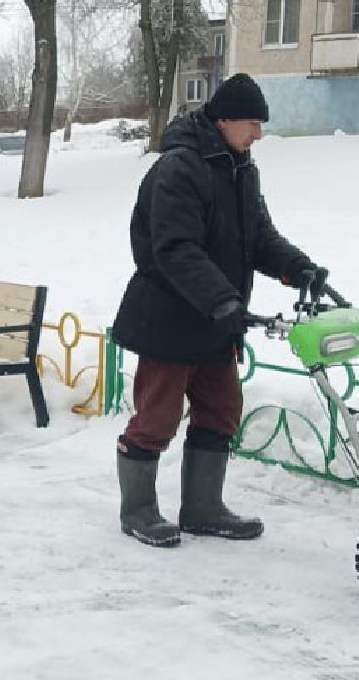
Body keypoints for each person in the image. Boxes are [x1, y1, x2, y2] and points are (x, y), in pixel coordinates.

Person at [110, 74, 326, 548]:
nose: (260, 135)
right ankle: (139, 511)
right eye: (253, 123)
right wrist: (221, 299)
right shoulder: (179, 169)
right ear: (225, 120)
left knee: (222, 410)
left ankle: (203, 509)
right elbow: (175, 248)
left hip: (215, 320)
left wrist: (299, 269)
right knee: (157, 419)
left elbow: (259, 238)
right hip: (170, 317)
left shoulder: (241, 168)